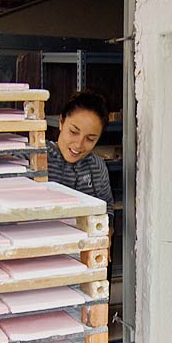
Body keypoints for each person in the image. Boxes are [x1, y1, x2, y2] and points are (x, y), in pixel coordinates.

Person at [46, 90, 114, 243]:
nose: (79, 144)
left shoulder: (97, 166)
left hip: (82, 249)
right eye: (73, 132)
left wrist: (107, 231)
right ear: (61, 122)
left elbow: (106, 206)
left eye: (90, 139)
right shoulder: (35, 157)